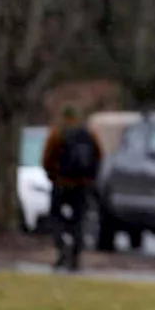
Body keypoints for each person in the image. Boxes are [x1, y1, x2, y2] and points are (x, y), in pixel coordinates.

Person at [40, 105, 102, 271]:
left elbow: (47, 157)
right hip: (82, 184)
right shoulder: (89, 134)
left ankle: (62, 249)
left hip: (61, 183)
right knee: (79, 220)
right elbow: (98, 156)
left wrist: (52, 175)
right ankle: (75, 257)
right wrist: (90, 178)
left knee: (55, 217)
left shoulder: (57, 133)